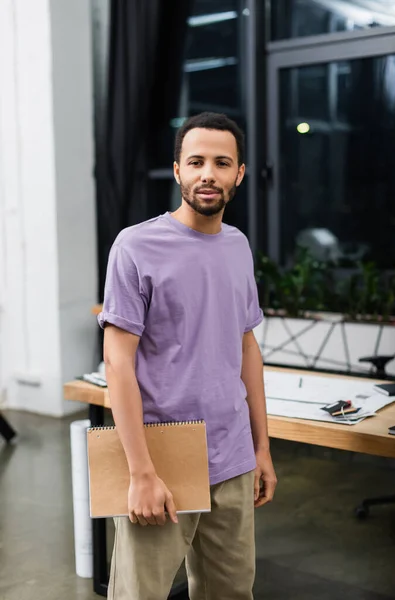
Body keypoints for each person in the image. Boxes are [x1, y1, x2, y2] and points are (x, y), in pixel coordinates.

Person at [98, 112, 277, 600]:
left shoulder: (238, 246)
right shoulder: (135, 246)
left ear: (239, 174)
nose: (208, 174)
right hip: (164, 452)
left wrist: (261, 448)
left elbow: (246, 346)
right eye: (195, 161)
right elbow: (118, 364)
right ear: (176, 169)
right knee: (141, 593)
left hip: (233, 454)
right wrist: (140, 473)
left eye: (222, 163)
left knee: (231, 593)